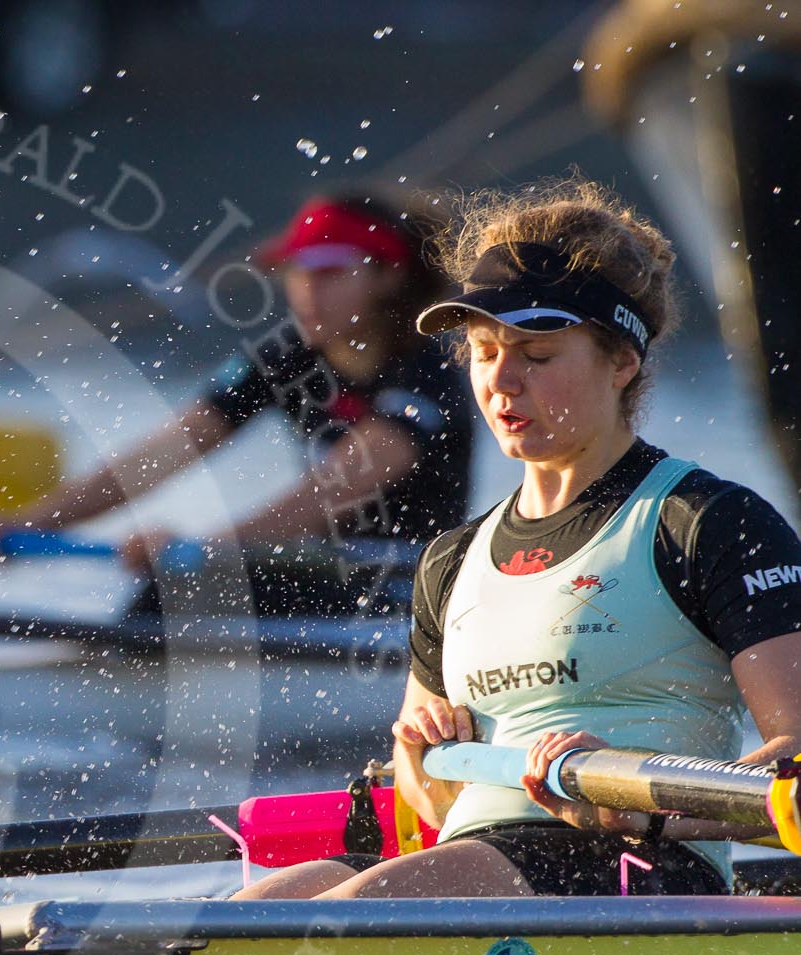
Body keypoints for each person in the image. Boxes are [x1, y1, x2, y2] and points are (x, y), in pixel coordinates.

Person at [237, 175, 801, 902]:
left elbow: (794, 764)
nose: (502, 381)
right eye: (482, 350)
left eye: (536, 356)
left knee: (355, 909)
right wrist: (419, 753)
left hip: (636, 868)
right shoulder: (452, 561)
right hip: (474, 862)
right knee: (241, 916)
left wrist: (647, 801)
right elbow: (429, 804)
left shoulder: (707, 523)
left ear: (621, 362)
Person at [0, 187, 471, 616]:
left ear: (388, 275)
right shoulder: (290, 355)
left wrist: (208, 550)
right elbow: (167, 450)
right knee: (164, 600)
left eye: (329, 273)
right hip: (319, 572)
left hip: (408, 593)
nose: (306, 294)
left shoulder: (429, 367)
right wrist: (33, 521)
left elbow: (335, 490)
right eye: (296, 272)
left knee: (183, 594)